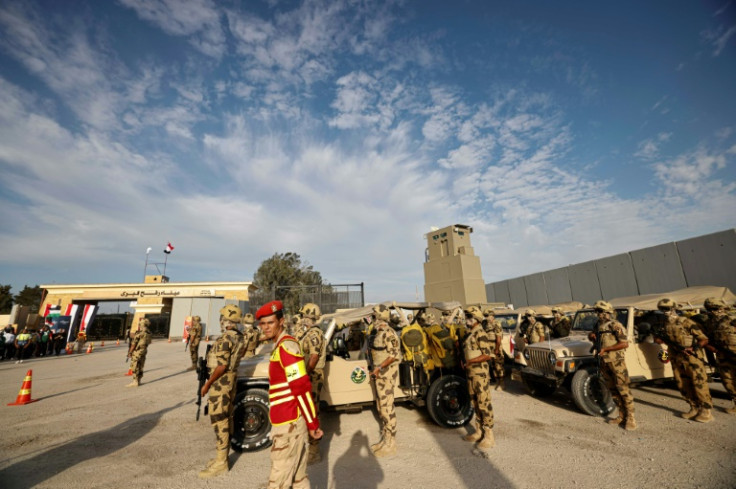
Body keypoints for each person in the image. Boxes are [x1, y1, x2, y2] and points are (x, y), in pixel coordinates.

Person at [257, 300, 322, 489]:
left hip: (289, 424)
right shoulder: (280, 346)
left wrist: (313, 424)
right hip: (287, 421)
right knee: (298, 479)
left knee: (279, 481)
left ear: (281, 321)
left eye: (270, 322)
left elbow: (301, 387)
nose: (266, 327)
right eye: (263, 323)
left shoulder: (287, 347)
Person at [198, 305, 245, 479]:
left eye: (222, 318)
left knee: (220, 420)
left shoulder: (226, 338)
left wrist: (208, 384)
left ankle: (221, 462)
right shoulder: (239, 336)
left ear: (226, 320)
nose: (220, 321)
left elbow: (222, 366)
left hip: (221, 382)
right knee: (227, 417)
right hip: (230, 380)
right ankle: (221, 457)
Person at [652, 298, 712, 422]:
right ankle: (694, 407)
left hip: (692, 359)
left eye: (667, 309)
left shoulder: (686, 322)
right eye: (662, 309)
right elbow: (658, 339)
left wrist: (693, 348)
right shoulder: (664, 324)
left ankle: (706, 410)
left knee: (699, 383)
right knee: (682, 384)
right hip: (676, 358)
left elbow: (704, 339)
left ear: (674, 308)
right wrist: (658, 339)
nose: (665, 312)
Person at [588, 301, 636, 430]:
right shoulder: (598, 325)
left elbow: (624, 343)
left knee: (623, 389)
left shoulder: (615, 325)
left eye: (600, 311)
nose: (597, 314)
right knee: (613, 390)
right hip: (604, 361)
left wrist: (606, 349)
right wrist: (591, 336)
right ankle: (621, 415)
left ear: (607, 312)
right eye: (596, 312)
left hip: (616, 362)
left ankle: (630, 418)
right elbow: (592, 336)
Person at [295, 303, 327, 464]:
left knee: (312, 411)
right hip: (307, 374)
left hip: (312, 375)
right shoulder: (307, 332)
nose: (301, 319)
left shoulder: (314, 334)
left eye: (303, 316)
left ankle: (314, 452)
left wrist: (305, 374)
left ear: (308, 317)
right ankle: (308, 445)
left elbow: (313, 358)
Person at [368, 304, 401, 457]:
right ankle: (385, 438)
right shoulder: (378, 332)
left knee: (387, 407)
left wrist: (379, 367)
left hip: (386, 375)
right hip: (379, 374)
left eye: (374, 316)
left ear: (380, 317)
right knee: (381, 407)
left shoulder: (389, 333)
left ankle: (391, 443)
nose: (372, 319)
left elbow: (393, 355)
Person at [462, 306, 495, 449]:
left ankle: (489, 435)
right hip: (471, 373)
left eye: (469, 317)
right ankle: (478, 430)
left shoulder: (480, 333)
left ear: (476, 319)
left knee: (484, 403)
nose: (467, 319)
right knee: (474, 402)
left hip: (480, 374)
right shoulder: (470, 333)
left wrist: (471, 361)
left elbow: (487, 355)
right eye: (467, 316)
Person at [702, 297, 736, 414]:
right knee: (727, 381)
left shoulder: (732, 318)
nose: (712, 311)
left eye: (714, 308)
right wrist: (710, 349)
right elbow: (706, 339)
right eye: (709, 309)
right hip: (722, 355)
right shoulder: (709, 322)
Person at [482, 307, 505, 390]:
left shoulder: (496, 324)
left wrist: (497, 349)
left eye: (487, 315)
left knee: (498, 365)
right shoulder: (484, 323)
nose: (486, 317)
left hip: (495, 346)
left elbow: (498, 338)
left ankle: (502, 383)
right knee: (492, 365)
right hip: (488, 346)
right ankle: (497, 381)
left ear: (492, 316)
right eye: (485, 315)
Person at [126, 318, 152, 387]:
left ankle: (135, 381)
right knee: (141, 365)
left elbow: (133, 344)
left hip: (138, 351)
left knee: (135, 365)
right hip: (144, 350)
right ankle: (139, 380)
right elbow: (149, 342)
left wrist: (130, 352)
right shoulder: (149, 333)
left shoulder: (139, 333)